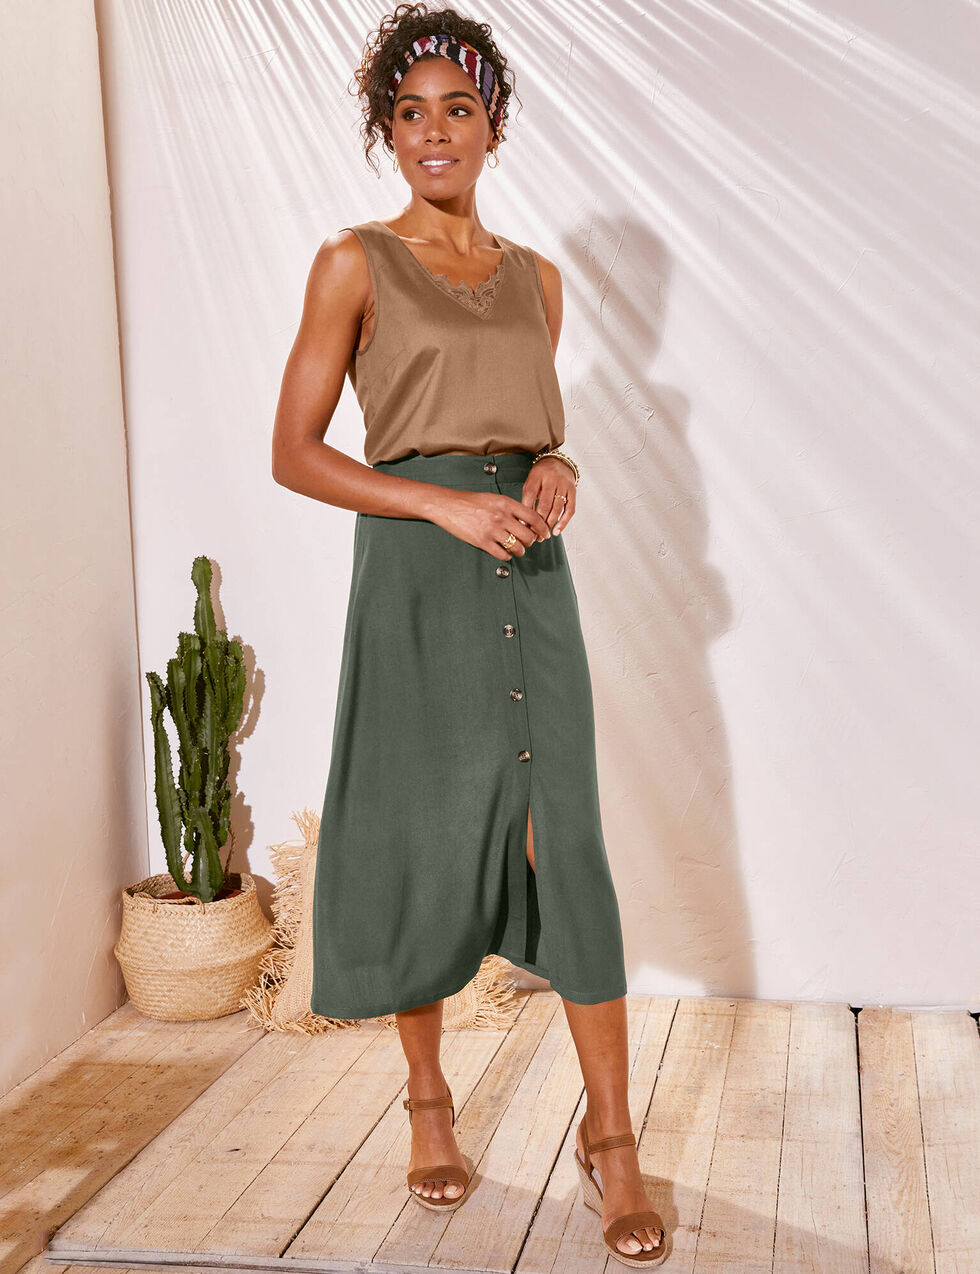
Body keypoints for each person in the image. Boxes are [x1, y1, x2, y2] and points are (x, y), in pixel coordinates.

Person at [271, 5, 667, 1265]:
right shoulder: (351, 262)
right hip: (415, 573)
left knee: (566, 841)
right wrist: (439, 501)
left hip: (531, 570)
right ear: (385, 133)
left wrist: (557, 466)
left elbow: (525, 426)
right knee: (420, 824)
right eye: (409, 112)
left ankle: (611, 1139)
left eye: (456, 108)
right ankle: (428, 1103)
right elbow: (294, 452)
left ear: (492, 125)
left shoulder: (536, 280)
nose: (433, 131)